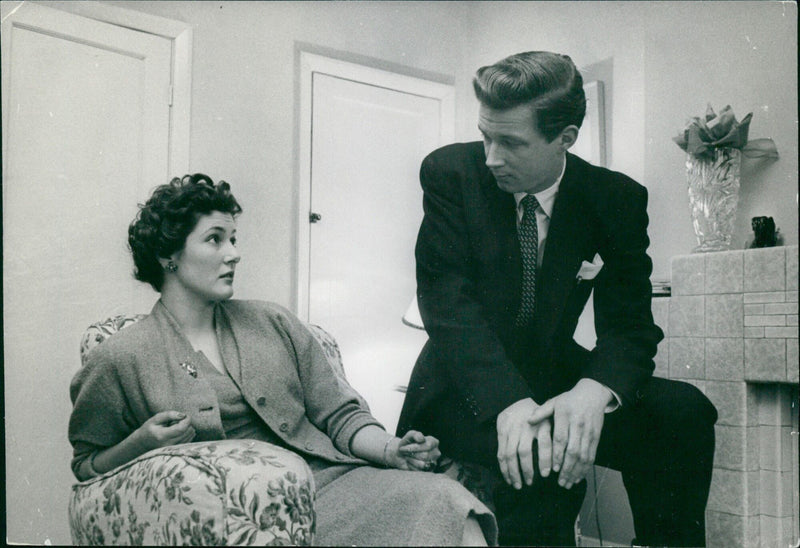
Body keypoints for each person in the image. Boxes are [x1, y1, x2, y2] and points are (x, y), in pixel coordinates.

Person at [69, 174, 497, 546]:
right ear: (170, 257)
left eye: (233, 239)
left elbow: (340, 415)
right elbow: (88, 466)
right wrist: (142, 443)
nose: (233, 253)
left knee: (446, 500)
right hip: (232, 519)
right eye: (215, 239)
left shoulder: (273, 322)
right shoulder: (120, 356)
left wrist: (393, 450)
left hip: (330, 489)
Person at [397, 51, 718, 547]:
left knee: (682, 413)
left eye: (510, 142)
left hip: (555, 372)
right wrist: (509, 403)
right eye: (485, 135)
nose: (491, 157)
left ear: (564, 138)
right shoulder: (451, 174)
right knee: (539, 449)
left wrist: (594, 391)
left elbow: (631, 326)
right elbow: (447, 306)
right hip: (464, 383)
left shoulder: (615, 199)